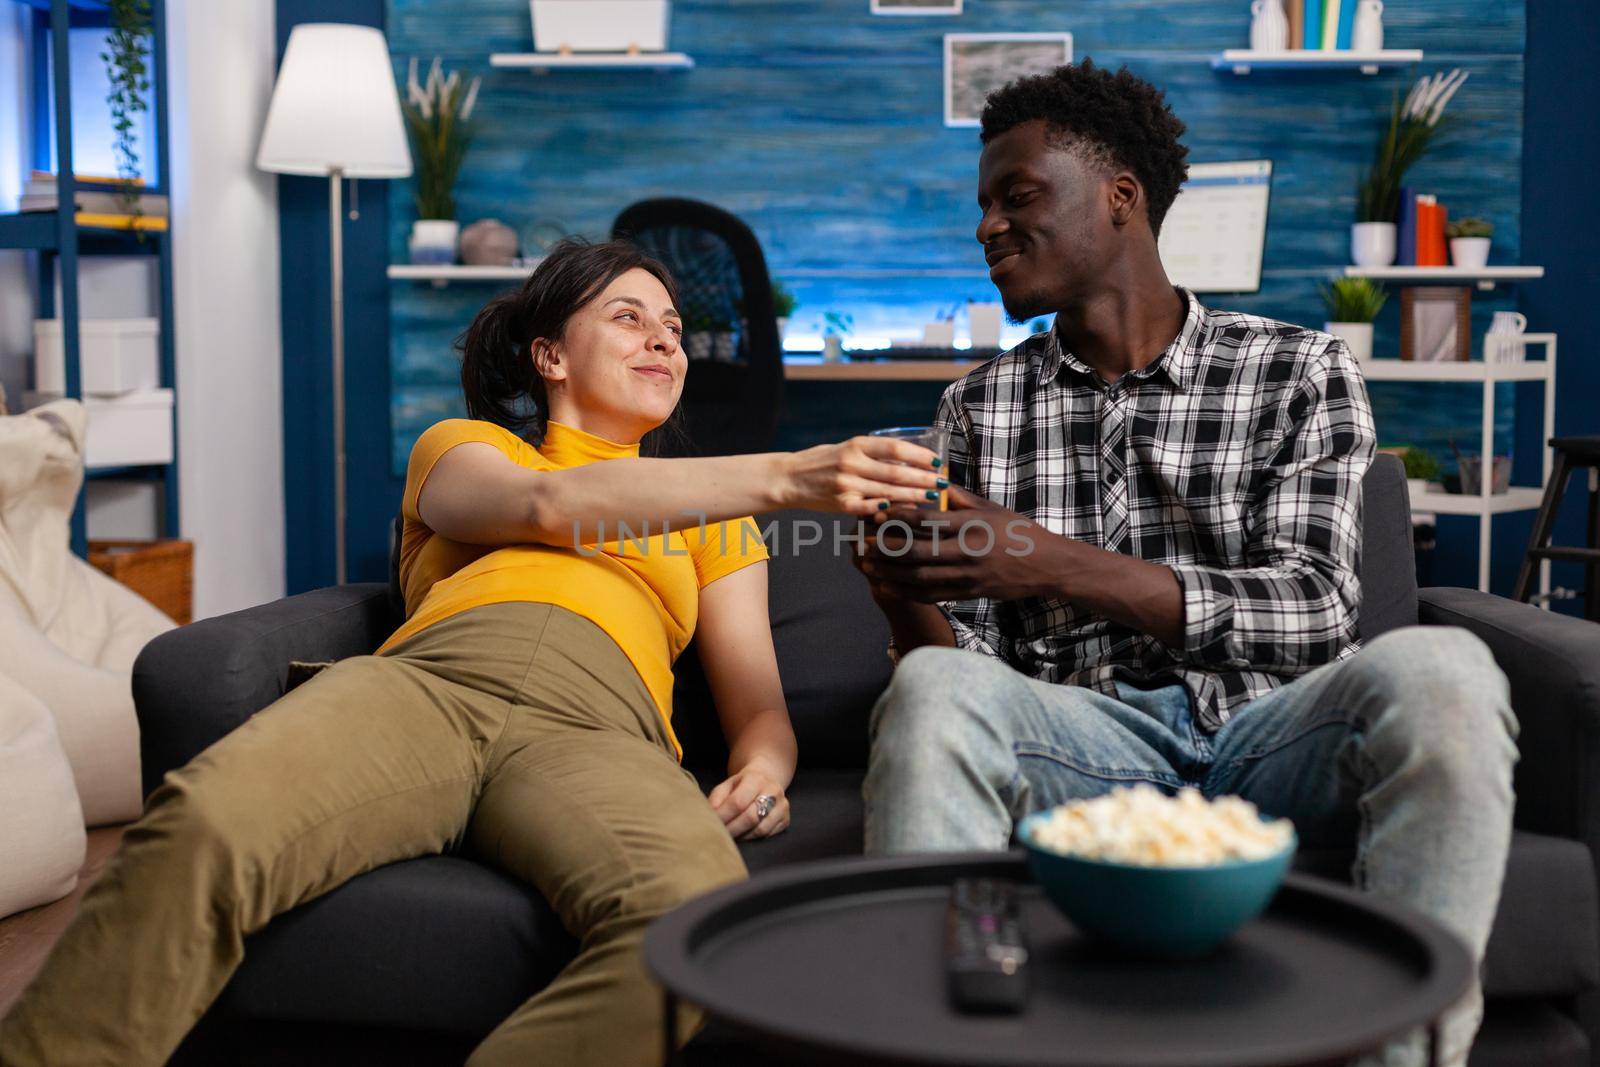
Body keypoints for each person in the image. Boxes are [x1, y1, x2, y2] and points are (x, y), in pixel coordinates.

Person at [0, 238, 944, 1067]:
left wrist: (765, 774)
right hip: (430, 686)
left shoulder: (716, 519)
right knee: (203, 823)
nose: (665, 339)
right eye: (628, 316)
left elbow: (759, 714)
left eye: (672, 325)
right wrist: (787, 473)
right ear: (550, 356)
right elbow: (543, 510)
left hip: (601, 731)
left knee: (687, 918)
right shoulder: (469, 447)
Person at [856, 61, 1516, 1067]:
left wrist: (1048, 561)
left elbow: (1314, 609)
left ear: (1121, 196)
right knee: (933, 687)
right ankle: (942, 1048)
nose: (985, 225)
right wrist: (901, 595)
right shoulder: (976, 406)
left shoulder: (1297, 368)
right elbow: (963, 674)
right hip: (1080, 744)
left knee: (1447, 668)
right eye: (982, 203)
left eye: (1015, 196)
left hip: (1270, 733)